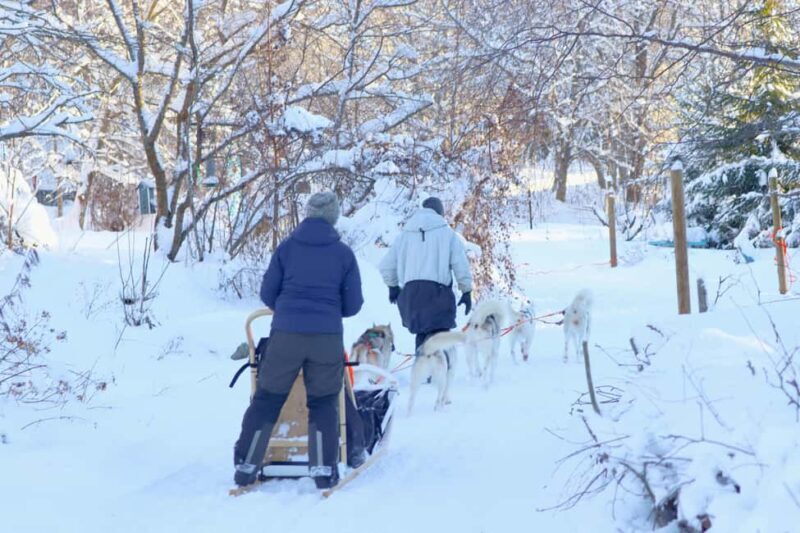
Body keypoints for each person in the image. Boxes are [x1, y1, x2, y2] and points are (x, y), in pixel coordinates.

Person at [233, 192, 364, 489]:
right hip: (326, 338)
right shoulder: (343, 254)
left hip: (286, 336)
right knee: (323, 401)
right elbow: (353, 305)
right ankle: (322, 470)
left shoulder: (287, 248)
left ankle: (246, 465)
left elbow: (268, 295)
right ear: (334, 217)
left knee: (266, 398)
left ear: (307, 214)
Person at [379, 197, 473, 350]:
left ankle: (422, 369)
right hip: (438, 296)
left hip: (412, 299)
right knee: (440, 340)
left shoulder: (404, 235)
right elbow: (460, 265)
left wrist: (393, 287)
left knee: (421, 337)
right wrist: (466, 291)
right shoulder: (447, 234)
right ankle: (438, 371)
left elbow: (385, 266)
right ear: (440, 213)